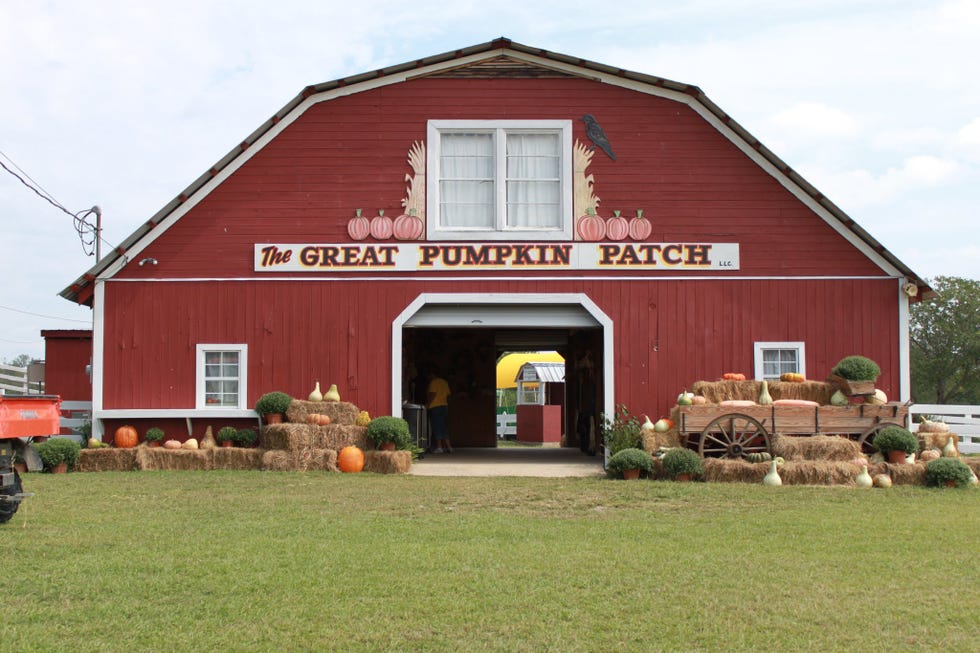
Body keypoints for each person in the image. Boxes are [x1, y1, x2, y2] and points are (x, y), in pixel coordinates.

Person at [426, 367, 452, 453]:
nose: (428, 377)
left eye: (429, 375)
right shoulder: (444, 382)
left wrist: (427, 404)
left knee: (436, 426)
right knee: (444, 426)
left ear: (432, 374)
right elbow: (448, 395)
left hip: (435, 406)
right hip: (444, 406)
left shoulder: (433, 382)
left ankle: (439, 447)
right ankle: (449, 447)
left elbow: (432, 394)